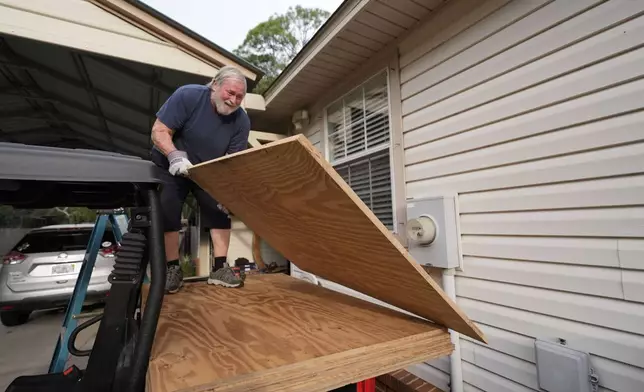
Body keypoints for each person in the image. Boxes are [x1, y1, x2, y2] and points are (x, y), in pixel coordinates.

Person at [149, 65, 250, 294]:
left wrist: (227, 192)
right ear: (215, 85)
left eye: (239, 96)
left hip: (207, 169)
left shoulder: (241, 122)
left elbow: (231, 162)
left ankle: (219, 268)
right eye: (230, 93)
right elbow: (159, 131)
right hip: (170, 163)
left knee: (220, 210)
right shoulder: (189, 96)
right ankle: (173, 269)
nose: (234, 100)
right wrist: (174, 156)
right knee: (167, 209)